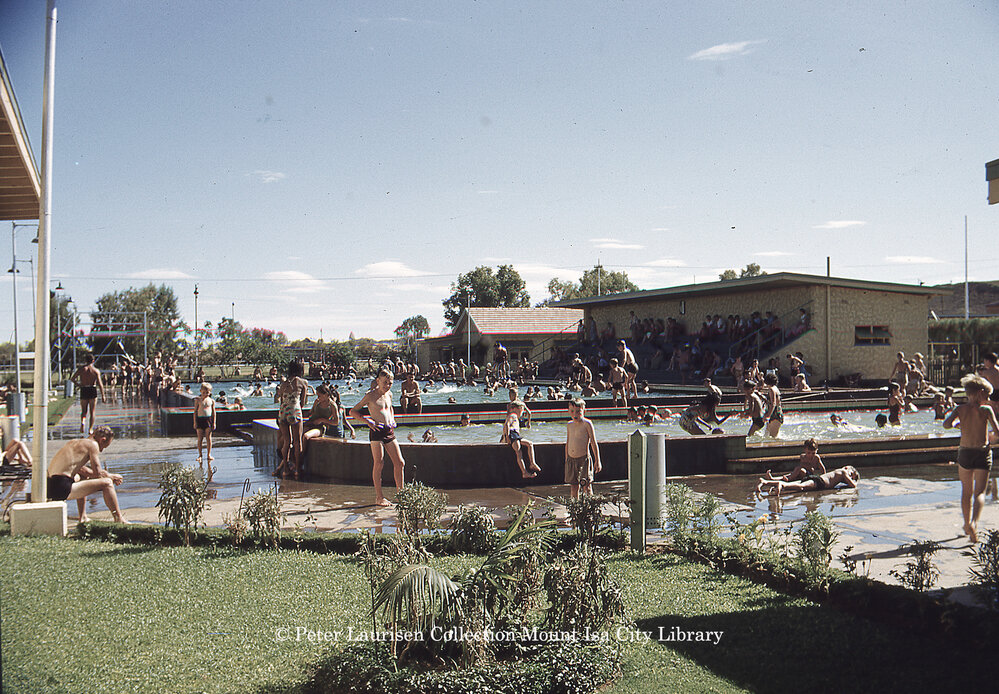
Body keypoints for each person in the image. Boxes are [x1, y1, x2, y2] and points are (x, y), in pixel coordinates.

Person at [943, 374, 999, 544]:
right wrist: (990, 436)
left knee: (966, 492)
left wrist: (956, 424)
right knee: (980, 492)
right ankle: (974, 523)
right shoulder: (986, 410)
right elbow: (997, 432)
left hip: (965, 453)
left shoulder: (960, 409)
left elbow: (945, 424)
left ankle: (966, 524)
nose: (989, 399)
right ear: (981, 393)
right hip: (982, 453)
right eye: (988, 396)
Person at [46, 426, 127, 523]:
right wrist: (112, 476)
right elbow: (97, 473)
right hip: (61, 488)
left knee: (82, 477)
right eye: (104, 447)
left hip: (49, 486)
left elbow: (81, 470)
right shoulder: (93, 445)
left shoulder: (74, 442)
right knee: (107, 483)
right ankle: (119, 519)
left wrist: (104, 473)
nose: (101, 450)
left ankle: (83, 516)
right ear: (102, 439)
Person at [350, 369, 406, 506]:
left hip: (389, 431)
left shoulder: (390, 394)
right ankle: (379, 497)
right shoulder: (370, 396)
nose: (387, 385)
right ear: (378, 381)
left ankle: (401, 495)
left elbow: (390, 408)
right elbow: (353, 411)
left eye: (390, 383)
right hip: (376, 432)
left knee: (400, 463)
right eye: (385, 382)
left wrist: (392, 420)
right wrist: (367, 421)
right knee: (379, 464)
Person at [274, 360, 309, 480]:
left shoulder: (283, 383)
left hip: (283, 411)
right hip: (295, 410)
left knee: (286, 442)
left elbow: (280, 398)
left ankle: (285, 470)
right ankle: (297, 470)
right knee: (297, 442)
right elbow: (303, 402)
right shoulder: (303, 382)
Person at [565, 398, 601, 499]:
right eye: (572, 411)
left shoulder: (587, 424)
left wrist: (597, 461)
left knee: (586, 485)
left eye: (578, 412)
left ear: (584, 411)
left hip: (583, 459)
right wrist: (566, 459)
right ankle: (574, 508)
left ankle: (590, 507)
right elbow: (568, 442)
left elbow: (593, 443)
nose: (575, 414)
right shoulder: (569, 425)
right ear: (568, 411)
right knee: (573, 486)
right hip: (571, 459)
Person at [757, 465, 859, 496]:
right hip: (819, 482)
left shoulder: (839, 472)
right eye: (851, 475)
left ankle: (766, 482)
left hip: (817, 479)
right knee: (801, 487)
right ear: (847, 468)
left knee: (797, 484)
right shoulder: (843, 472)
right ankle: (782, 485)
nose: (850, 477)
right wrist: (854, 482)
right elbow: (853, 485)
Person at [762, 439, 827, 487]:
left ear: (817, 451)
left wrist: (824, 477)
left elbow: (822, 468)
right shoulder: (803, 457)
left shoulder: (816, 458)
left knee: (798, 470)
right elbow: (802, 466)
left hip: (809, 475)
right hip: (801, 473)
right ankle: (773, 478)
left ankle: (787, 479)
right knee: (794, 472)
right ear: (805, 450)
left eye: (813, 453)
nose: (810, 455)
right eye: (808, 453)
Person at [503, 400, 540, 479]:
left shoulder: (513, 416)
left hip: (515, 435)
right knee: (519, 452)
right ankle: (524, 472)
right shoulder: (513, 415)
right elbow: (507, 425)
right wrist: (507, 437)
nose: (522, 413)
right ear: (516, 408)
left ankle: (532, 463)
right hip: (512, 435)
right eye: (522, 410)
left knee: (529, 444)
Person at [72, 354, 105, 434]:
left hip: (84, 389)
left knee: (84, 411)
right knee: (92, 411)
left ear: (85, 360)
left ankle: (83, 422)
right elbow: (100, 384)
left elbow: (73, 378)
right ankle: (90, 429)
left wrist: (79, 385)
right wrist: (103, 395)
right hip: (92, 389)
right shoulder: (95, 371)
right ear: (93, 361)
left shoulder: (82, 369)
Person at [193, 383, 216, 465]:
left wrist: (214, 422)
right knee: (200, 438)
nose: (205, 394)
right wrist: (195, 422)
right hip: (200, 419)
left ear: (210, 392)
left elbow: (214, 412)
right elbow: (195, 412)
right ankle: (200, 455)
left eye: (207, 392)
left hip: (208, 419)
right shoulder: (198, 400)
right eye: (203, 392)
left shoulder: (211, 401)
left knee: (208, 438)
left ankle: (209, 454)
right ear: (200, 391)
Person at [762, 371, 783, 437]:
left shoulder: (771, 389)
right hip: (777, 413)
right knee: (767, 436)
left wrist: (768, 416)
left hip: (775, 414)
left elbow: (773, 403)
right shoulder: (775, 388)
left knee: (772, 438)